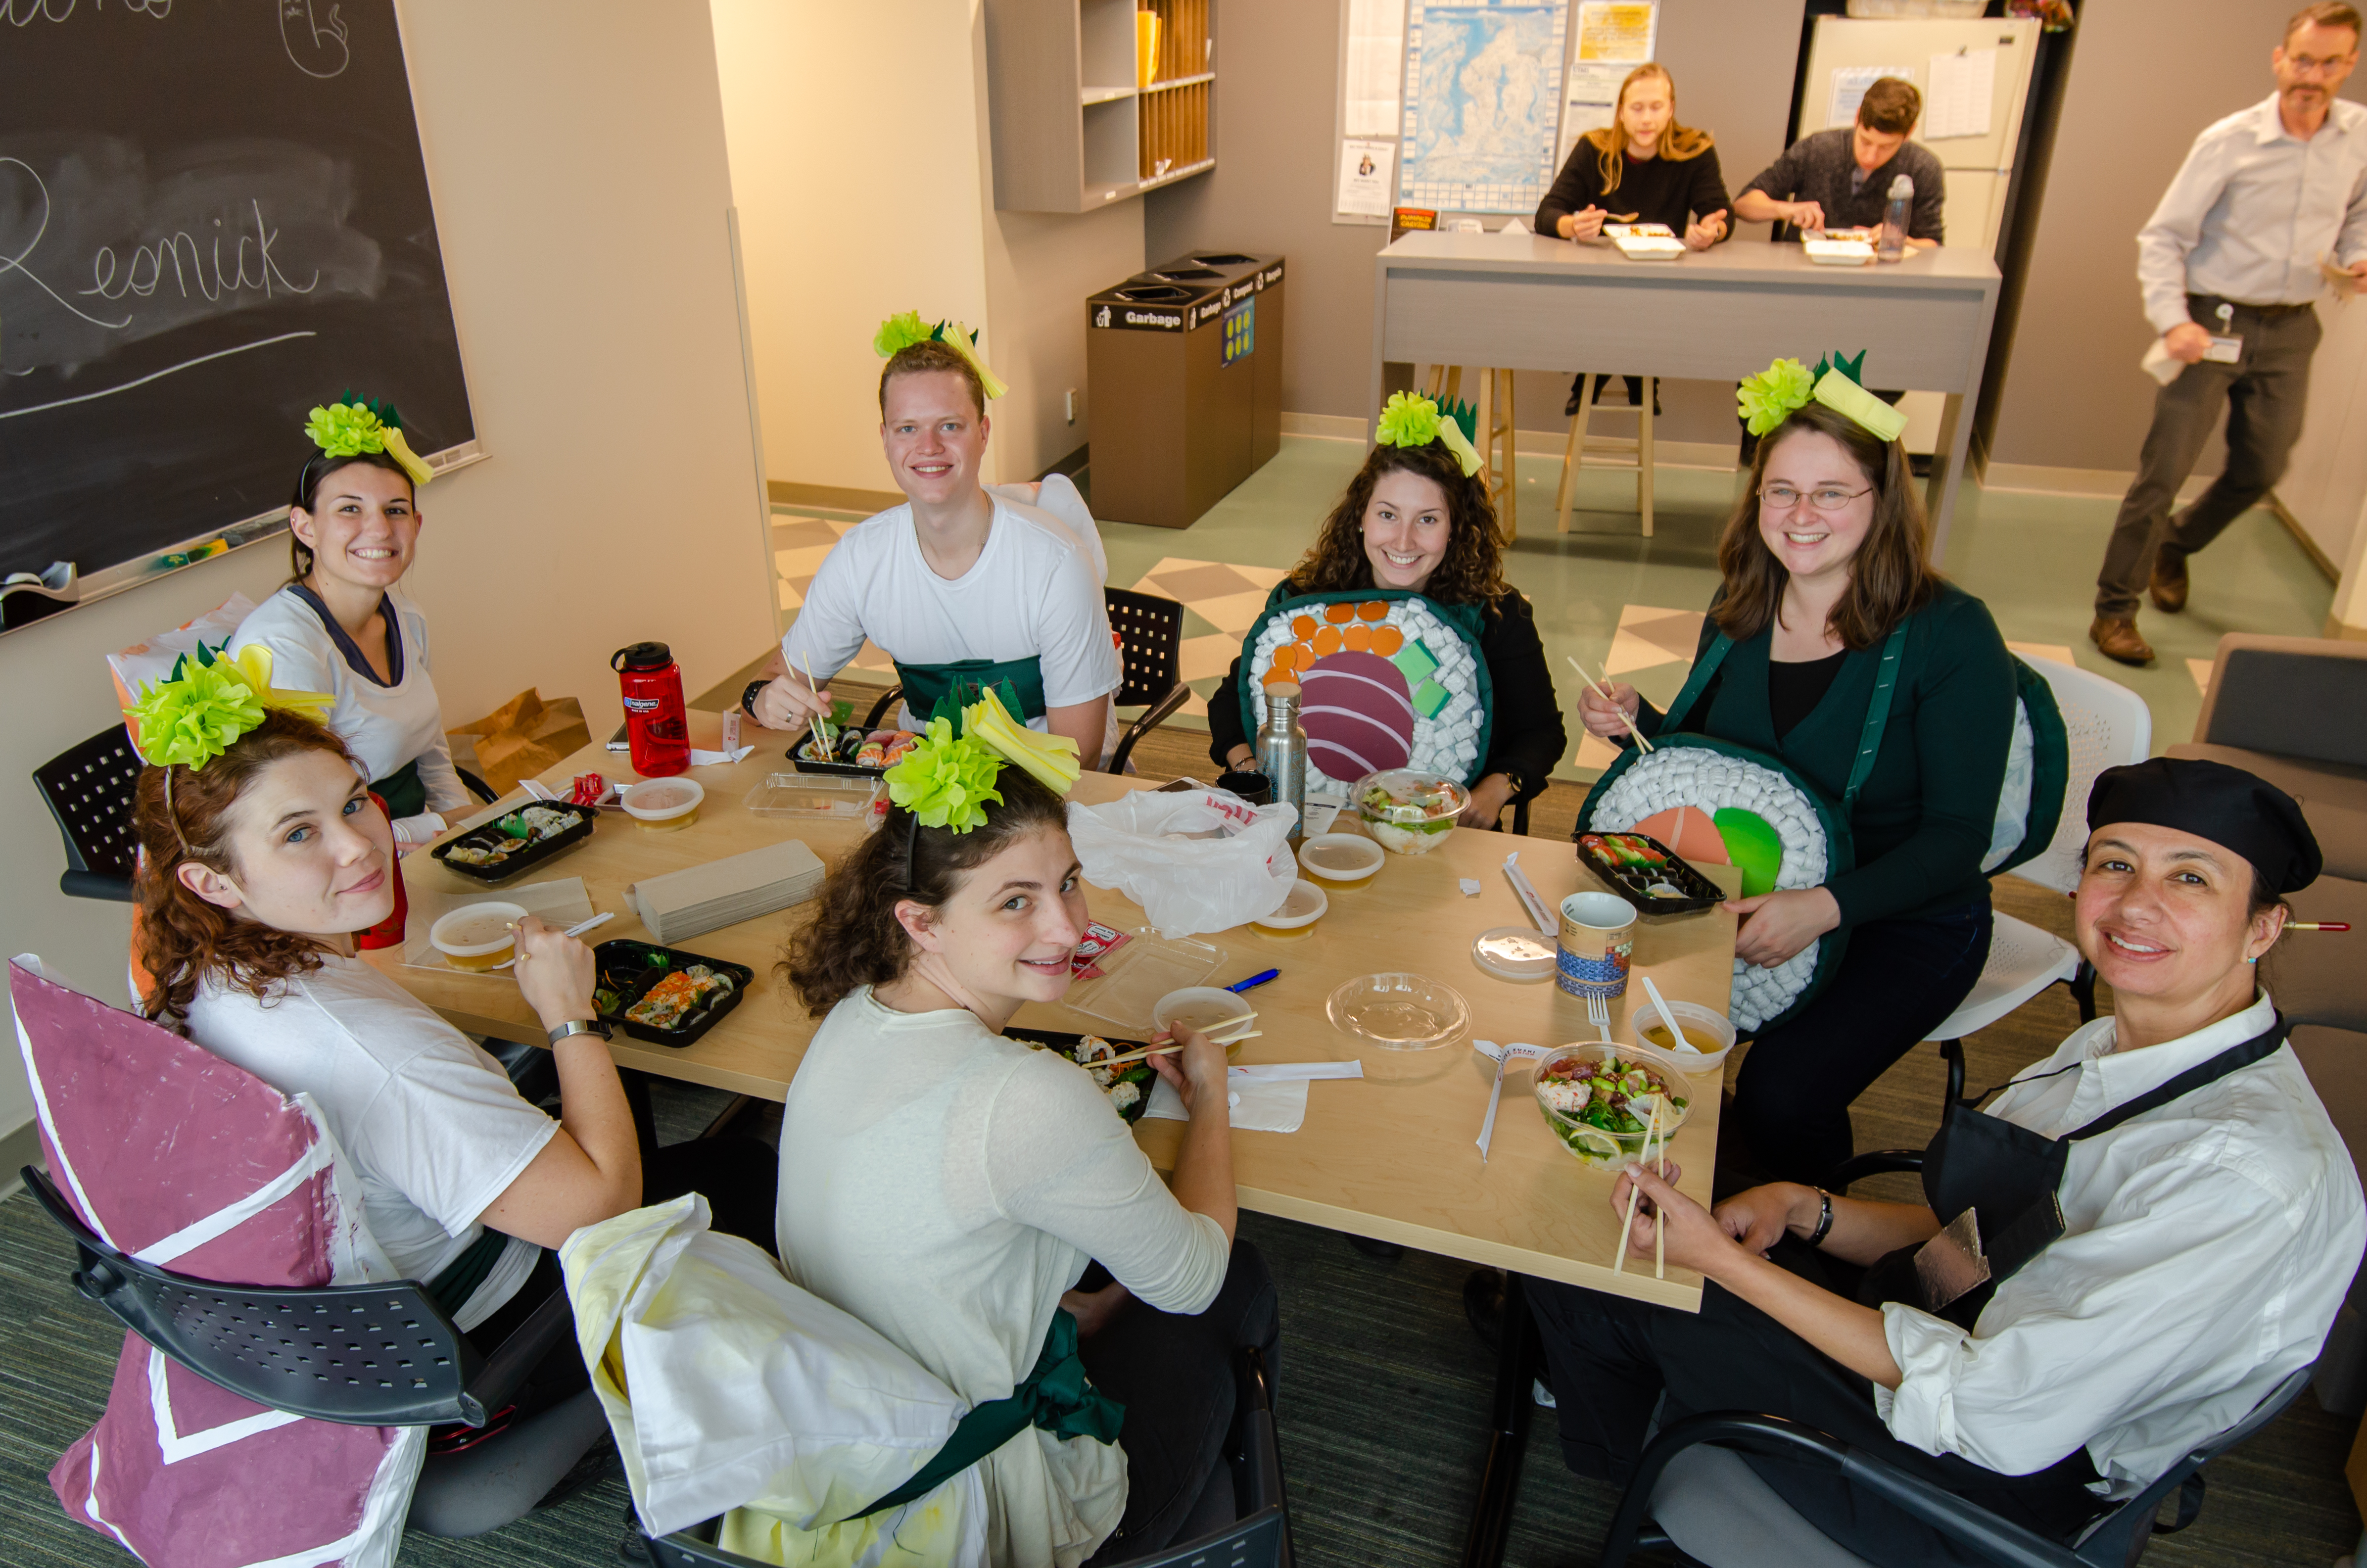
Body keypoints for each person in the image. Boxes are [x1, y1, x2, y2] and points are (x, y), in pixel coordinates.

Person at [1526, 757, 2362, 1566]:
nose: (2135, 903)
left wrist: (1717, 1263)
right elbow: (1975, 1239)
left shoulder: (2242, 1174)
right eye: (2114, 863)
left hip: (1978, 1484)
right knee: (1640, 1183)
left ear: (2262, 925)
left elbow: (1990, 1404)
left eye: (2189, 878)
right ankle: (1654, 1462)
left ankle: (1643, 1496)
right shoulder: (2110, 1044)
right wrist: (1802, 1205)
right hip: (1940, 1330)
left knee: (1588, 1254)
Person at [122, 665, 775, 1378]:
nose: (359, 845)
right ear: (212, 882)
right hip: (480, 1330)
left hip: (333, 1320)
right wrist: (568, 1014)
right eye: (299, 834)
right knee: (745, 1170)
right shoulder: (377, 1053)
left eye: (354, 804)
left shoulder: (198, 971)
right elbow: (599, 1213)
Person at [776, 720, 1277, 1568]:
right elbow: (1192, 1278)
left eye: (1068, 882)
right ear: (920, 921)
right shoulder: (1024, 1093)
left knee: (1099, 1275)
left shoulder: (852, 1013)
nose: (1066, 925)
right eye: (1016, 900)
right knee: (1241, 1277)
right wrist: (1211, 1095)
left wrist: (1079, 1302)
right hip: (976, 1505)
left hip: (852, 1434)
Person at [1579, 359, 2015, 1183]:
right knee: (1600, 1010)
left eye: (1829, 492)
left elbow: (1958, 840)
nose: (1799, 515)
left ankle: (1806, 1239)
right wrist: (1636, 723)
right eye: (1779, 490)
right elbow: (1713, 768)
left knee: (1780, 1093)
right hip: (1757, 882)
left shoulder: (1949, 635)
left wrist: (1821, 906)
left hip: (1901, 914)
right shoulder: (1740, 603)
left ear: (1880, 501)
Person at [2089, 2, 2367, 667]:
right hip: (2213, 323)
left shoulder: (2358, 137)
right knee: (2164, 472)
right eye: (2303, 60)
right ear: (2280, 59)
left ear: (2349, 66)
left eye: (2330, 63)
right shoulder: (2230, 141)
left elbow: (2359, 213)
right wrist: (2173, 318)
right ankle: (2114, 610)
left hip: (2294, 327)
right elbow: (2164, 237)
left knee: (2262, 468)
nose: (2313, 75)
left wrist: (2357, 254)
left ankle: (2177, 545)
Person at [748, 314, 1121, 766]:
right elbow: (774, 680)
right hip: (922, 793)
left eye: (949, 426)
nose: (928, 446)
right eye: (907, 428)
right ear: (885, 440)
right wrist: (762, 699)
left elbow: (1074, 761)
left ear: (983, 434)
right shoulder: (861, 558)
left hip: (1040, 797)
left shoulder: (1056, 565)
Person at [1205, 394, 1565, 829]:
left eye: (1428, 520)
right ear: (1361, 516)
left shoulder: (1497, 615)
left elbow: (1542, 733)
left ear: (1455, 528)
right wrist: (1250, 770)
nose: (1403, 540)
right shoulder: (1307, 598)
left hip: (1438, 831)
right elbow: (1233, 698)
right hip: (1313, 823)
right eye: (1388, 515)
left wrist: (1495, 789)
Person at [231, 396, 471, 852]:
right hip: (345, 864)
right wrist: (437, 825)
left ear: (417, 524)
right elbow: (301, 825)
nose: (380, 529)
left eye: (396, 510)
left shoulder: (407, 618)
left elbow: (431, 751)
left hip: (418, 844)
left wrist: (469, 831)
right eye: (349, 509)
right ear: (304, 527)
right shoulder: (284, 645)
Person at [1536, 63, 1730, 417]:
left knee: (1641, 317)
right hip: (1601, 284)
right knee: (1609, 313)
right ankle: (1610, 373)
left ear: (1671, 109)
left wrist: (1710, 231)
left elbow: (1719, 213)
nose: (1647, 118)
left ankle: (1624, 373)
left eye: (1656, 107)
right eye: (1637, 108)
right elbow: (1548, 213)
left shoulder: (1695, 149)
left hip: (1661, 283)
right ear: (1621, 113)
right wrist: (1573, 225)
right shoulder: (1594, 148)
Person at [1733, 77, 1945, 246]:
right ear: (1857, 118)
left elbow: (1933, 243)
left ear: (1909, 133)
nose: (1870, 157)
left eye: (1886, 147)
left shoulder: (1924, 168)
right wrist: (1786, 210)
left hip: (1878, 280)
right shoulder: (1818, 148)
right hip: (1805, 272)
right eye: (1866, 141)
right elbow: (1743, 205)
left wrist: (1903, 241)